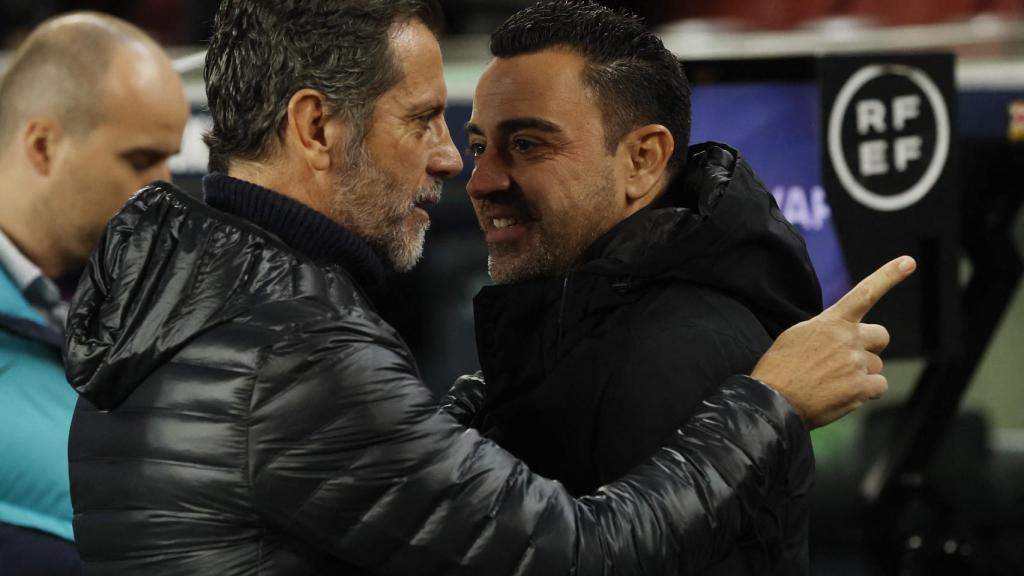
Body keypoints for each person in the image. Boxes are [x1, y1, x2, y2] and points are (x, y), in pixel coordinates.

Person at [64, 1, 913, 574]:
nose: (453, 162)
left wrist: (484, 395)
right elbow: (576, 554)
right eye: (425, 119)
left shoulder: (196, 299)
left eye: (525, 143)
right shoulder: (298, 348)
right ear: (317, 127)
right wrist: (767, 403)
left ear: (647, 159)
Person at [461, 2, 818, 573]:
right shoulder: (584, 320)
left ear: (642, 160)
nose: (481, 181)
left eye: (527, 144)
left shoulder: (675, 355)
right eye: (480, 146)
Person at [0, 12, 188, 574]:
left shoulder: (144, 305)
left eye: (169, 159)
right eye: (139, 160)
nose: (166, 188)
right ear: (41, 146)